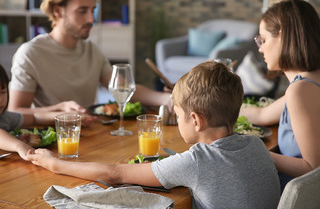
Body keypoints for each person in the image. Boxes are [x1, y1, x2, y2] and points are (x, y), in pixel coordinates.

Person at [27, 61, 280, 209]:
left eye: (178, 116)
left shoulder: (196, 160)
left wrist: (55, 163)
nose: (178, 121)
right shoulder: (257, 145)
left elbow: (115, 174)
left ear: (196, 120)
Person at [8, 0, 171, 116]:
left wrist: (166, 99)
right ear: (57, 11)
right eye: (82, 11)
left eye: (92, 10)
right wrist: (59, 109)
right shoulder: (31, 53)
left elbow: (124, 89)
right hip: (52, 139)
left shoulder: (91, 50)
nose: (91, 19)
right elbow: (15, 111)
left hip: (88, 131)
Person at [240, 0, 320, 190]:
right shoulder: (309, 83)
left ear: (282, 36)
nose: (260, 48)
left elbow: (313, 169)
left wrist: (254, 152)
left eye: (263, 39)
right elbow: (261, 114)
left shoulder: (300, 90)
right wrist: (220, 110)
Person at [0, 55, 63, 160]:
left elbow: (34, 117)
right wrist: (20, 146)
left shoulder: (2, 117)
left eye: (3, 92)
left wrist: (66, 117)